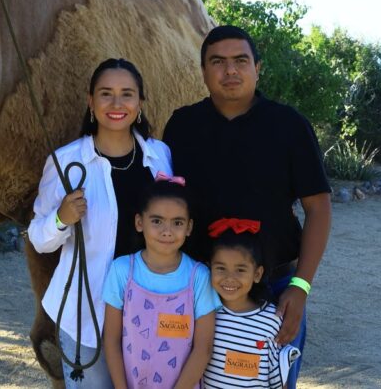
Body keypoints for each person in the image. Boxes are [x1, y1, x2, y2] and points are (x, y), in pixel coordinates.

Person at [163, 25, 332, 388]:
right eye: (218, 62)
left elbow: (318, 208)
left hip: (274, 289)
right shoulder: (182, 126)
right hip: (198, 288)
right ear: (203, 71)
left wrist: (300, 286)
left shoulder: (290, 126)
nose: (230, 70)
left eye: (241, 60)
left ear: (257, 67)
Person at [29, 58, 173, 388]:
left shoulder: (160, 156)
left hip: (151, 308)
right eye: (106, 94)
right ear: (90, 102)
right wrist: (61, 218)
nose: (117, 104)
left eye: (127, 94)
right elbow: (39, 238)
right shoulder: (66, 162)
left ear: (140, 102)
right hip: (86, 315)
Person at [102, 177, 219, 389]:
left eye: (177, 222)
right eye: (157, 221)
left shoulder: (199, 277)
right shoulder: (122, 271)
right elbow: (111, 340)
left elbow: (203, 348)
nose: (167, 231)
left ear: (189, 227)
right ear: (139, 222)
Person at [202, 218, 300, 388]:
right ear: (209, 268)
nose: (229, 278)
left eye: (240, 270)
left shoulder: (272, 319)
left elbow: (277, 376)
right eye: (220, 268)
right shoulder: (204, 314)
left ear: (257, 274)